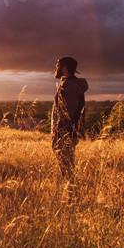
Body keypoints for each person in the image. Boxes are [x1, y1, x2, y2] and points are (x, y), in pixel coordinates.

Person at [51, 57, 88, 186]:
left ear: (65, 68)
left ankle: (71, 193)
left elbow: (68, 113)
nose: (56, 69)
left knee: (66, 167)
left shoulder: (69, 87)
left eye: (58, 66)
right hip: (67, 132)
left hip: (65, 133)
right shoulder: (69, 84)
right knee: (66, 165)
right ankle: (70, 191)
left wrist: (61, 133)